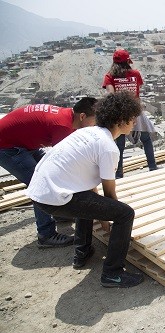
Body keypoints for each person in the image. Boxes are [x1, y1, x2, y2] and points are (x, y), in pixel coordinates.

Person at [26, 91, 144, 288]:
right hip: (55, 197)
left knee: (86, 201)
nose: (134, 123)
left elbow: (90, 189)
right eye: (132, 119)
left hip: (40, 193)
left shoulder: (86, 133)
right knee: (125, 213)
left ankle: (82, 252)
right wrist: (107, 221)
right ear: (121, 121)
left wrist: (102, 215)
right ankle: (113, 274)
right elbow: (109, 193)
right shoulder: (108, 147)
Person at [0, 97, 97, 247]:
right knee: (41, 184)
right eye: (94, 121)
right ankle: (46, 235)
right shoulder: (63, 126)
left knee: (51, 176)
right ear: (82, 116)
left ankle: (59, 214)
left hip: (23, 143)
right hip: (7, 147)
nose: (94, 126)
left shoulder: (68, 117)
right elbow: (68, 165)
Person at [102, 49, 158, 178]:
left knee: (119, 144)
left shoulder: (109, 76)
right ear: (128, 61)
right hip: (136, 111)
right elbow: (137, 90)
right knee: (146, 139)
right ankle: (153, 167)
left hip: (120, 114)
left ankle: (119, 174)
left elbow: (110, 95)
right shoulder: (136, 74)